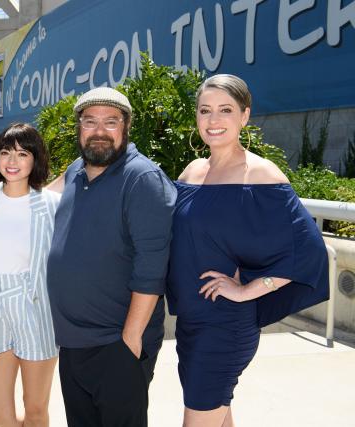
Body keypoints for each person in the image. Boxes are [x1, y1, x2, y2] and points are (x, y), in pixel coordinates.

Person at [167, 74, 329, 427]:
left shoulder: (260, 174)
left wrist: (246, 291)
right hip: (192, 322)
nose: (213, 120)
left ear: (244, 115)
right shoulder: (192, 171)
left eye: (225, 110)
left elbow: (308, 251)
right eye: (205, 110)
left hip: (224, 326)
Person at [46, 87, 177, 427]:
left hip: (116, 344)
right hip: (73, 343)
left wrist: (129, 341)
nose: (99, 131)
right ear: (78, 128)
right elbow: (35, 202)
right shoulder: (75, 171)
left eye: (110, 121)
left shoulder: (142, 178)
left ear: (126, 127)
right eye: (90, 122)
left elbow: (151, 268)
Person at [0, 123, 60, 427]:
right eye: (6, 152)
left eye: (22, 154)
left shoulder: (50, 205)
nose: (12, 161)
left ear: (36, 159)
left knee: (35, 410)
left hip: (35, 310)